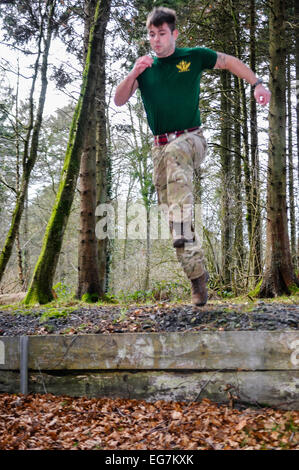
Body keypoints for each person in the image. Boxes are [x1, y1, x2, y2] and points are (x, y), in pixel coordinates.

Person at [114, 6, 271, 306]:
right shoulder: (145, 69)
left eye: (162, 34)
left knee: (175, 159)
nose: (156, 40)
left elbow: (229, 62)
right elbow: (120, 100)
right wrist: (134, 72)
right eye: (151, 35)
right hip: (159, 149)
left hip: (191, 140)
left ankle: (183, 221)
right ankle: (198, 280)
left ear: (174, 33)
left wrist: (257, 83)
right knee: (174, 223)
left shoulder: (193, 56)